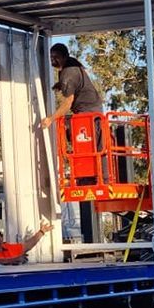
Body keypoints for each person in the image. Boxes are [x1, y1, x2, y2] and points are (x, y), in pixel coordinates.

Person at [42, 43, 105, 243]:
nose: (52, 60)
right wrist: (58, 86)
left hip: (87, 114)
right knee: (88, 146)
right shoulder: (70, 69)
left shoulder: (68, 72)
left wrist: (51, 119)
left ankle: (89, 178)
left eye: (54, 56)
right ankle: (90, 177)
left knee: (80, 142)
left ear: (62, 56)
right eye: (50, 56)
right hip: (91, 112)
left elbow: (68, 103)